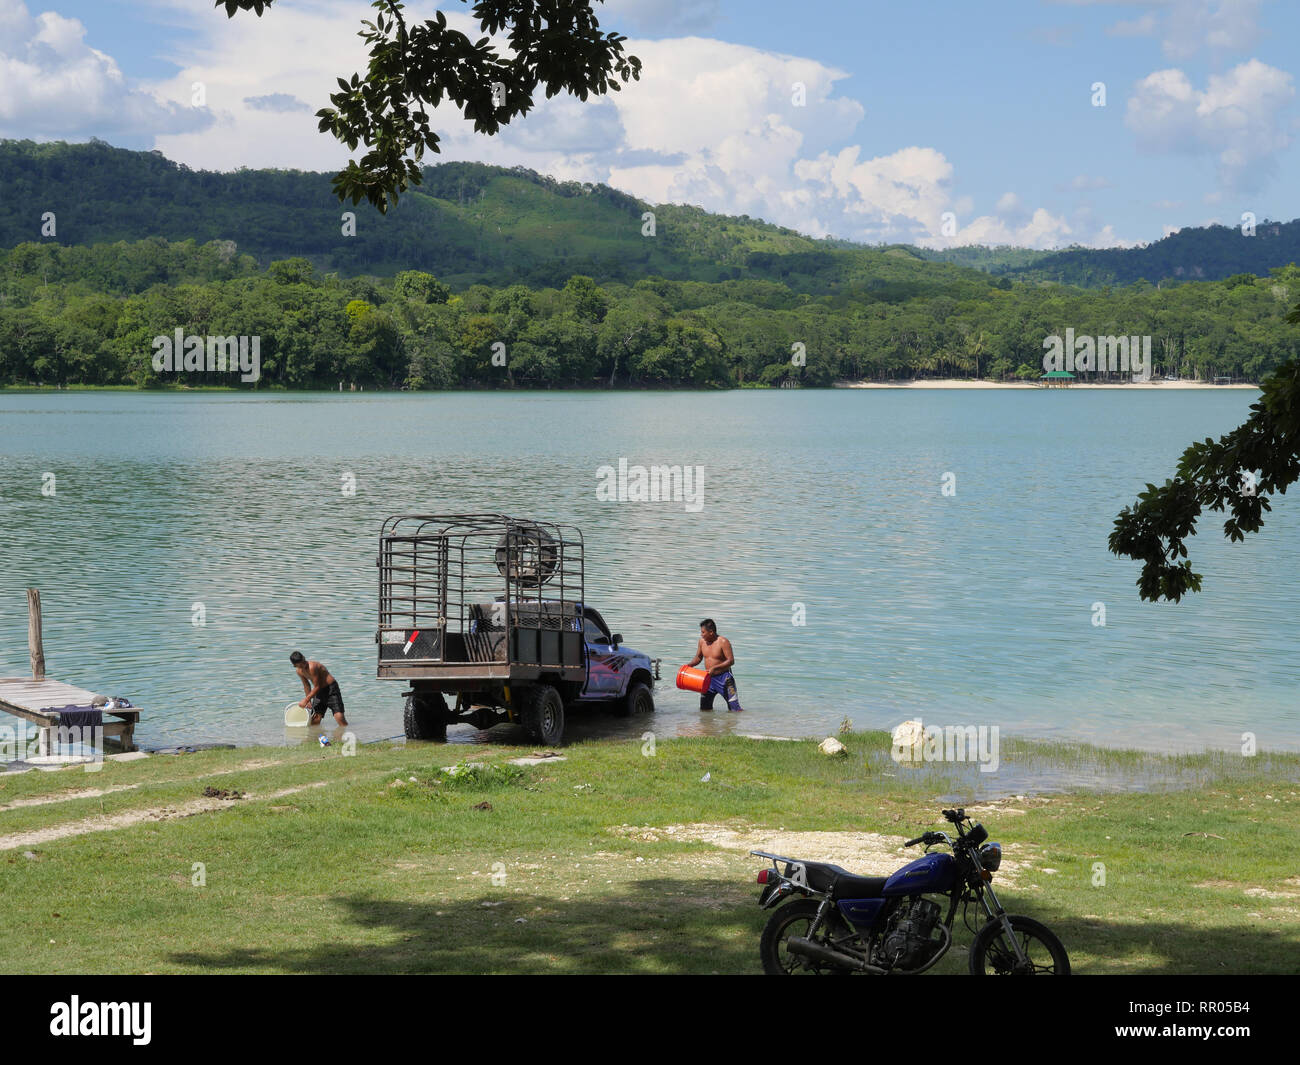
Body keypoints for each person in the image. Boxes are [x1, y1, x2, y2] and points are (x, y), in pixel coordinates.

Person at [687, 618, 744, 712]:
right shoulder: (702, 642)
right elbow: (698, 657)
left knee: (735, 709)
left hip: (725, 679)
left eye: (703, 632)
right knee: (704, 710)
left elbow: (731, 661)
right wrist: (689, 665)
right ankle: (708, 727)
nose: (701, 635)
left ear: (711, 632)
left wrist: (715, 667)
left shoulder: (723, 642)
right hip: (707, 679)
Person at [291, 651, 348, 726]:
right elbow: (306, 685)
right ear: (295, 665)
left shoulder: (312, 667)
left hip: (331, 689)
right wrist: (308, 701)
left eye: (303, 662)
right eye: (300, 665)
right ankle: (318, 737)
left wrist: (306, 700)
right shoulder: (299, 671)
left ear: (304, 658)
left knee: (339, 717)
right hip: (318, 692)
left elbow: (318, 686)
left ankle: (349, 734)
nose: (303, 665)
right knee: (315, 720)